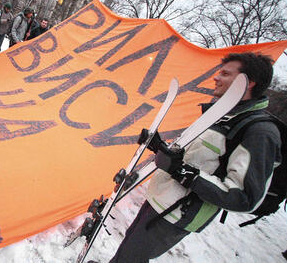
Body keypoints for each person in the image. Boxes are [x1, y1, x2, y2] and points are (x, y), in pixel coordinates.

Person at [101, 52, 282, 263]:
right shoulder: (221, 115)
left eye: (225, 73)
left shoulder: (259, 132)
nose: (216, 78)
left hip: (179, 212)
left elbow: (244, 196)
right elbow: (199, 158)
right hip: (163, 198)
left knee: (132, 257)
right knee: (129, 251)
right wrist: (160, 147)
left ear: (248, 83)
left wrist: (183, 173)